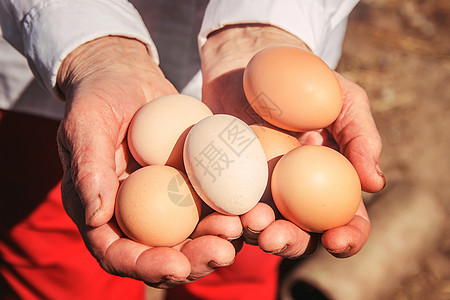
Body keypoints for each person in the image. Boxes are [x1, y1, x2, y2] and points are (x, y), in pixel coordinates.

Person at [0, 1, 386, 299]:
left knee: (241, 259)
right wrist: (92, 50)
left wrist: (259, 22)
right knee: (61, 263)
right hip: (62, 87)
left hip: (269, 107)